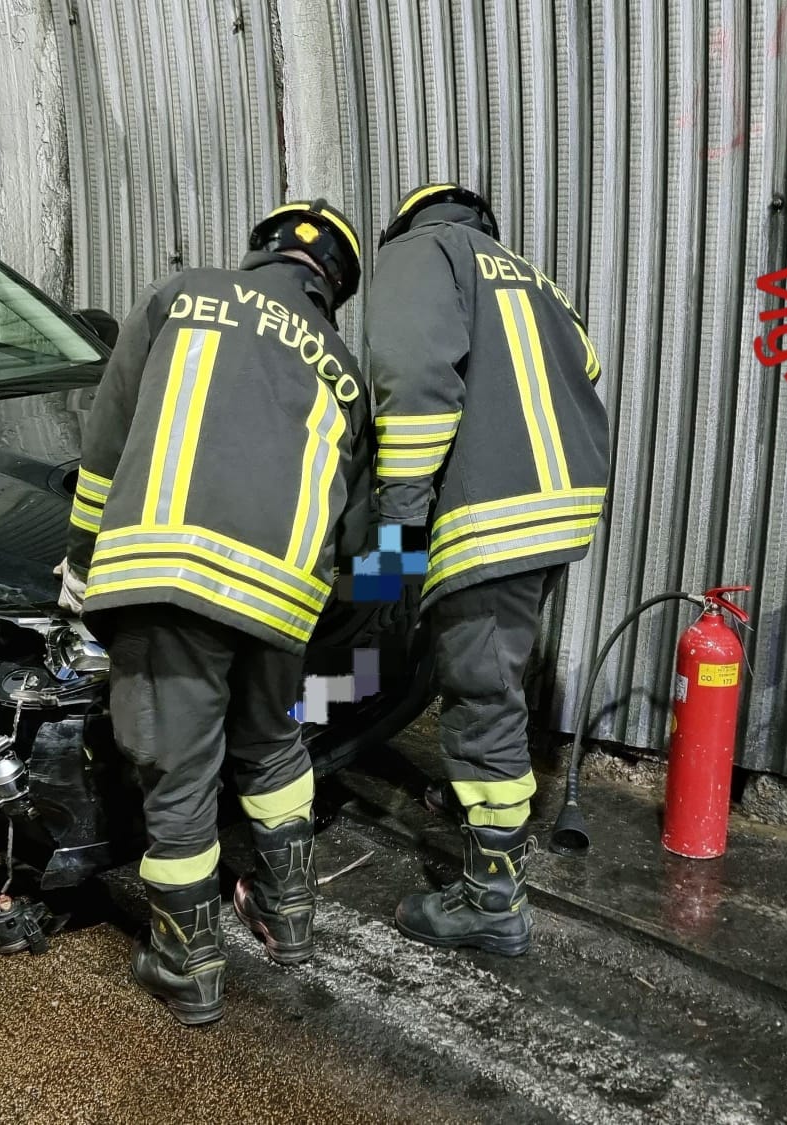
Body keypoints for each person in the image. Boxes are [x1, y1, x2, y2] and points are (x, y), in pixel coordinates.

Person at [57, 200, 370, 1024]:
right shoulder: (346, 371)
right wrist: (354, 613)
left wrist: (84, 564)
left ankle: (187, 964)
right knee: (273, 750)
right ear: (333, 288)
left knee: (179, 775)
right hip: (282, 600)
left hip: (171, 579)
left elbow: (104, 445)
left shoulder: (181, 297)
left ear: (259, 250)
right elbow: (363, 525)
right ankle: (288, 917)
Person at [364, 183, 609, 957]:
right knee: (494, 671)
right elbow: (589, 366)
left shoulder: (419, 253)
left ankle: (492, 896)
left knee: (478, 692)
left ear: (408, 221)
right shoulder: (532, 277)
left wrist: (395, 543)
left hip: (489, 515)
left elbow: (413, 388)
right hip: (559, 509)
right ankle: (479, 800)